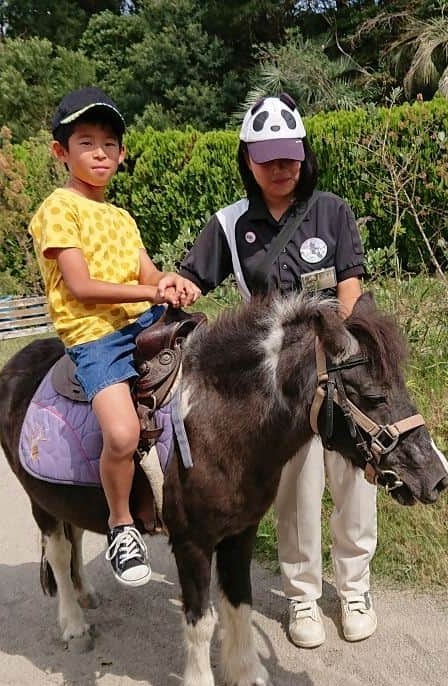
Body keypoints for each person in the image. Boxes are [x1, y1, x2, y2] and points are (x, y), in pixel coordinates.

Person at [178, 94, 378, 647]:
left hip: (336, 372)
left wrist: (341, 347)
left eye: (289, 156)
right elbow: (195, 278)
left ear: (303, 154)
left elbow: (350, 283)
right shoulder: (229, 225)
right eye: (267, 159)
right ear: (247, 160)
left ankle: (355, 585)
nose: (280, 168)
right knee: (294, 490)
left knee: (353, 483)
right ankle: (303, 598)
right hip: (279, 390)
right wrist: (177, 288)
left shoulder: (332, 210)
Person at [29, 86, 201, 588]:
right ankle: (121, 523)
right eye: (86, 142)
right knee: (123, 434)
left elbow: (148, 272)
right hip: (95, 336)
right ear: (61, 152)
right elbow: (80, 286)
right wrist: (150, 289)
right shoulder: (59, 209)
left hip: (142, 322)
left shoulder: (123, 217)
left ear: (122, 154)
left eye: (109, 143)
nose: (100, 152)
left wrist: (170, 284)